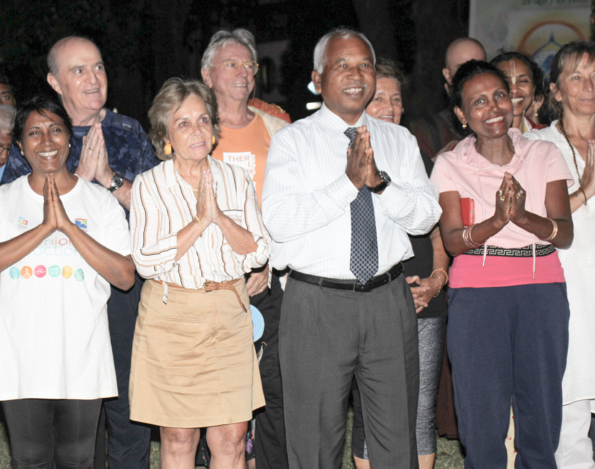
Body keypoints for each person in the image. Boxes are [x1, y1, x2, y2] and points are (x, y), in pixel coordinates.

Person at [262, 28, 441, 468]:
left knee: (394, 435)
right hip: (316, 303)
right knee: (314, 439)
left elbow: (425, 215)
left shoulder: (398, 140)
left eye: (364, 65)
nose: (356, 74)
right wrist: (347, 183)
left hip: (388, 300)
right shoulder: (293, 141)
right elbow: (279, 223)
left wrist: (378, 183)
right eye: (342, 65)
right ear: (317, 78)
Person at [0, 36, 159, 469]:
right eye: (78, 70)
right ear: (54, 81)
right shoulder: (40, 135)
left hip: (122, 289)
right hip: (57, 291)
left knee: (125, 401)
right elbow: (7, 208)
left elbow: (161, 210)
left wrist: (107, 184)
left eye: (98, 67)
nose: (92, 78)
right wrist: (78, 185)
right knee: (70, 413)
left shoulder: (128, 132)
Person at [0, 95, 134, 467]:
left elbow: (124, 276)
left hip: (83, 356)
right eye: (34, 133)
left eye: (56, 130)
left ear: (69, 139)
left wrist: (68, 228)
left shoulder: (99, 202)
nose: (47, 141)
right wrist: (44, 228)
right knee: (31, 460)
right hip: (21, 356)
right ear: (21, 147)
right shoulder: (0, 201)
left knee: (78, 460)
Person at [430, 59, 573, 468]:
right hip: (477, 296)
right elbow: (454, 242)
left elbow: (564, 233)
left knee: (540, 415)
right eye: (477, 102)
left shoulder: (543, 152)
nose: (492, 108)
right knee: (480, 418)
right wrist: (497, 220)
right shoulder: (450, 164)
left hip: (541, 290)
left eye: (499, 96)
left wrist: (523, 216)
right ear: (461, 115)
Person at [128, 77, 268, 469]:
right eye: (183, 122)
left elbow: (258, 250)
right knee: (178, 437)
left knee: (233, 436)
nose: (197, 130)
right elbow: (145, 259)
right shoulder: (148, 185)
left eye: (203, 120)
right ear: (166, 133)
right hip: (171, 318)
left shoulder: (235, 179)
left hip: (228, 313)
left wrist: (218, 217)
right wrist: (198, 221)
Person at [525, 41, 595, 468]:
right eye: (576, 77)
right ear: (555, 89)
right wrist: (586, 192)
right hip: (563, 292)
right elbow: (529, 218)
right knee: (568, 412)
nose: (589, 86)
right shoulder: (536, 146)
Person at [351, 59, 449, 469]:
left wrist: (438, 278)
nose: (389, 107)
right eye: (379, 99)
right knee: (371, 411)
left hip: (425, 296)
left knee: (420, 408)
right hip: (371, 301)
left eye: (396, 99)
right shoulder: (346, 164)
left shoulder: (414, 157)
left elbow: (438, 227)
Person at [200, 28, 289, 469]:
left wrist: (267, 262)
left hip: (268, 276)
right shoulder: (191, 130)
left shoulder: (278, 128)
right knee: (214, 394)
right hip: (208, 281)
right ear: (207, 74)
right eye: (230, 64)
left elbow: (290, 205)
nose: (242, 72)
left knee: (274, 385)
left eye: (248, 65)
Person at [409, 37, 486, 160]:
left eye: (478, 66)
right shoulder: (426, 131)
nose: (471, 74)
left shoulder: (500, 120)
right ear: (447, 75)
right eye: (462, 67)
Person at [490, 52, 546, 133]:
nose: (514, 89)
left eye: (522, 81)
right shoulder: (475, 140)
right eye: (506, 82)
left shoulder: (548, 139)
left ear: (534, 89)